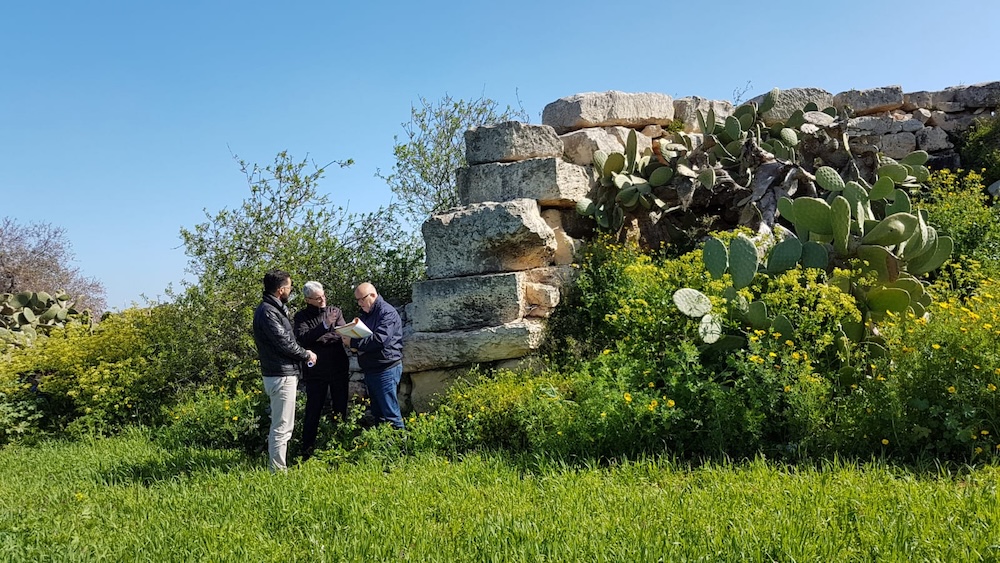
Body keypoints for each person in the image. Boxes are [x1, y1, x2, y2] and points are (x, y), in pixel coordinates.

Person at [252, 269, 316, 472]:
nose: (291, 291)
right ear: (281, 290)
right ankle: (278, 472)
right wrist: (306, 354)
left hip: (280, 373)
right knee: (282, 427)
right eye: (289, 287)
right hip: (281, 375)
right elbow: (285, 343)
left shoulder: (272, 308)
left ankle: (277, 467)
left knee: (282, 424)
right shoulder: (268, 312)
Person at [293, 281, 351, 460]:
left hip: (338, 367)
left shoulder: (335, 311)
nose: (322, 300)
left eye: (324, 296)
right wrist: (325, 326)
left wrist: (320, 338)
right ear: (308, 300)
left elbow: (342, 333)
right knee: (313, 410)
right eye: (318, 298)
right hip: (316, 372)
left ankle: (340, 447)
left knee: (340, 408)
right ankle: (307, 451)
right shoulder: (301, 317)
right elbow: (303, 339)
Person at [341, 282, 405, 429]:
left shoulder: (387, 313)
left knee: (390, 414)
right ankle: (383, 449)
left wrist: (354, 343)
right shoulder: (368, 314)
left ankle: (402, 450)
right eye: (357, 300)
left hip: (386, 368)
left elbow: (379, 340)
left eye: (362, 299)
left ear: (373, 295)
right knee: (378, 414)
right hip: (372, 369)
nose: (360, 303)